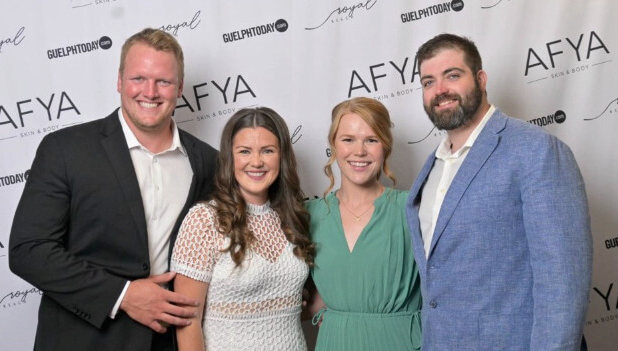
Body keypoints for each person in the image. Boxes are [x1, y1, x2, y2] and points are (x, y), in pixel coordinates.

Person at [8, 28, 218, 351]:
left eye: (163, 81)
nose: (150, 91)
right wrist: (122, 295)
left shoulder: (208, 162)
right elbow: (29, 250)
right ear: (119, 80)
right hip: (84, 340)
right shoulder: (65, 150)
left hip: (168, 342)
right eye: (138, 78)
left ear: (179, 88)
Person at [406, 33, 592, 351]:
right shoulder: (432, 168)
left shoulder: (536, 151)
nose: (440, 90)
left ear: (480, 79)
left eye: (452, 75)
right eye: (428, 82)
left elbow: (563, 282)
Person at [170, 107, 314, 351]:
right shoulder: (204, 220)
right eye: (244, 151)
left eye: (267, 151)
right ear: (230, 158)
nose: (256, 162)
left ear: (282, 157)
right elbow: (187, 321)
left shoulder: (294, 216)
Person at [306, 97, 421, 351]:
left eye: (371, 139)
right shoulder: (309, 214)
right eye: (348, 139)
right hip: (335, 342)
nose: (359, 151)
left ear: (385, 146)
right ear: (334, 145)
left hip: (399, 342)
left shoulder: (412, 209)